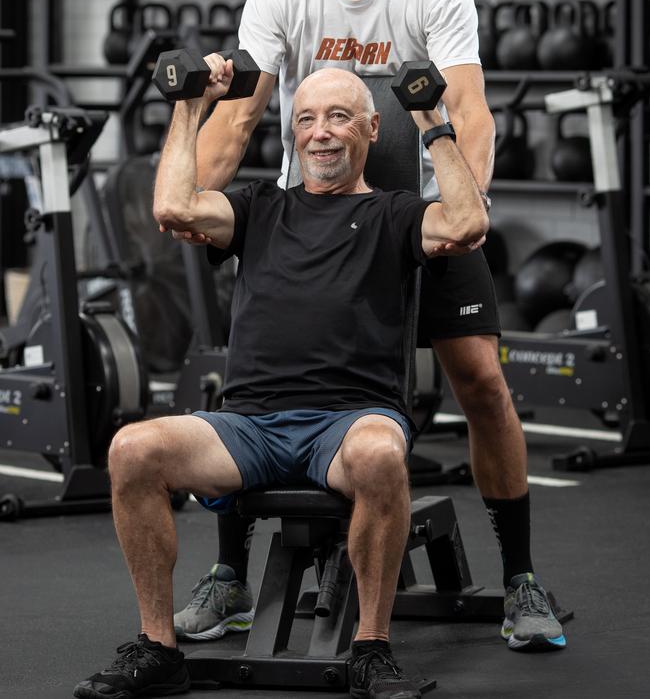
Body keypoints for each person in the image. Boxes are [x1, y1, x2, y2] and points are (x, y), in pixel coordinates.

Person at [173, 0, 566, 655]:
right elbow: (243, 112)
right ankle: (231, 578)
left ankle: (523, 576)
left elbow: (470, 108)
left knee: (483, 380)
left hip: (418, 209)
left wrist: (468, 209)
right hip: (313, 217)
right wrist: (195, 202)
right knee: (257, 378)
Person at [74, 64, 488, 699]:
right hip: (250, 427)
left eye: (339, 118)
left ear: (373, 129)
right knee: (132, 449)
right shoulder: (259, 206)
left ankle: (371, 649)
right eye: (306, 119)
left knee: (380, 454)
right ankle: (159, 648)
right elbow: (173, 205)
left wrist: (432, 119)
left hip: (349, 421)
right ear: (292, 134)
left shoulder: (397, 214)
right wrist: (191, 104)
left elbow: (466, 224)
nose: (320, 134)